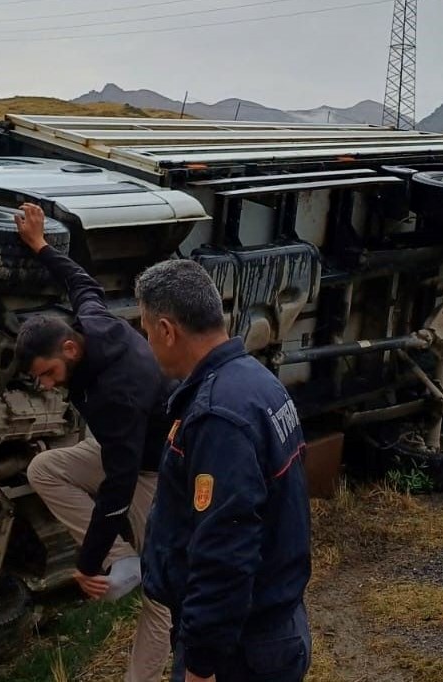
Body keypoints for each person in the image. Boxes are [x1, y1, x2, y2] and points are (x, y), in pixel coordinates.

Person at [13, 203, 172, 682]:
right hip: (121, 451)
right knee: (44, 470)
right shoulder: (91, 325)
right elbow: (82, 284)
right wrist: (40, 246)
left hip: (153, 469)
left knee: (160, 596)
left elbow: (119, 486)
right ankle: (121, 557)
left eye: (46, 376)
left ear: (68, 350)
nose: (44, 386)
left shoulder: (117, 395)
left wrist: (86, 564)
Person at [136, 259, 312, 682]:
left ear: (166, 330)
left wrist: (200, 663)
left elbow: (225, 551)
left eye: (146, 332)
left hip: (240, 650)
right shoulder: (256, 381)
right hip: (276, 624)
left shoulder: (218, 416)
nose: (147, 344)